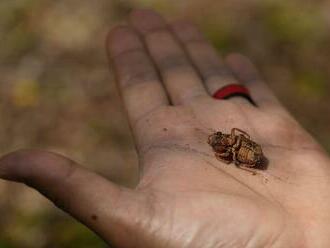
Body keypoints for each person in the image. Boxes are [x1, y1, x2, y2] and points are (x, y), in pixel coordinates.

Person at [0, 9, 329, 248]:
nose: (219, 143)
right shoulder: (230, 144)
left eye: (220, 141)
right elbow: (235, 149)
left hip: (253, 157)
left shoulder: (234, 148)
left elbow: (236, 153)